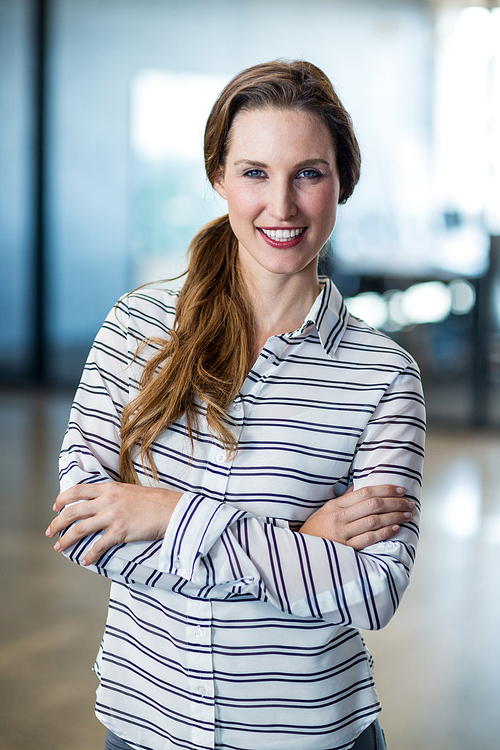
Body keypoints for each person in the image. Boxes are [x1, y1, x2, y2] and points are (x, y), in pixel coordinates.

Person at [46, 60, 425, 750]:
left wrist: (166, 515)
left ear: (343, 182)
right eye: (254, 172)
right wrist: (298, 549)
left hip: (311, 735)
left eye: (308, 174)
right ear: (218, 177)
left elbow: (372, 591)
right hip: (145, 726)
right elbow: (84, 529)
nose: (280, 207)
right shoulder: (136, 327)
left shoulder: (384, 376)